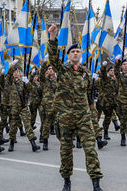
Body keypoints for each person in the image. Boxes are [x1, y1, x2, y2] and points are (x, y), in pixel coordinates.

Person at [48, 24, 103, 191]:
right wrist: (52, 38)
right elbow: (52, 58)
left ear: (81, 54)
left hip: (84, 117)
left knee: (90, 149)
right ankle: (66, 181)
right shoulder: (62, 70)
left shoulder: (86, 72)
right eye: (72, 51)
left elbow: (89, 96)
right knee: (66, 152)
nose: (75, 53)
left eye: (78, 51)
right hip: (65, 117)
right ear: (68, 55)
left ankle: (96, 184)